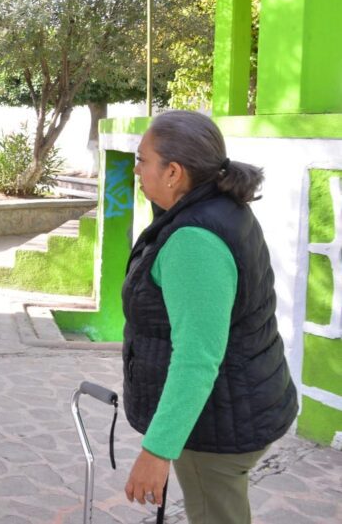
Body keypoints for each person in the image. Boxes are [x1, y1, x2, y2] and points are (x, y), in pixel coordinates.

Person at [123, 110, 297, 524]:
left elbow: (197, 357)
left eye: (142, 159)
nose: (136, 168)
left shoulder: (194, 241)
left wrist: (158, 449)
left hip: (217, 426)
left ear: (174, 172)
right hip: (243, 403)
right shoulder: (217, 208)